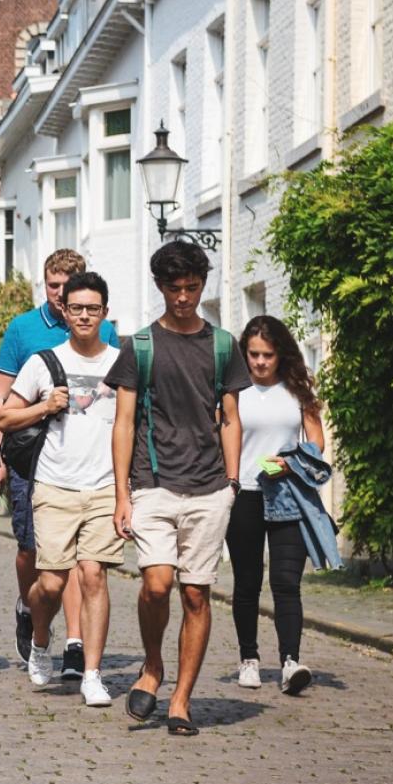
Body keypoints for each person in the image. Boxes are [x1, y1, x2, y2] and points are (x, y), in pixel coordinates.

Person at [107, 241, 251, 735]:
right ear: (160, 287)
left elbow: (230, 417)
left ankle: (181, 700)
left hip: (210, 486)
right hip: (153, 482)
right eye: (175, 288)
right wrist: (122, 494)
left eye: (192, 287)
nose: (184, 297)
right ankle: (152, 665)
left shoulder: (223, 345)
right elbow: (124, 422)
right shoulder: (141, 346)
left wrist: (232, 482)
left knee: (195, 595)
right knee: (156, 584)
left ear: (202, 285)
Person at [0, 249, 120, 675]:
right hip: (31, 458)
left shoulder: (105, 331)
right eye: (53, 286)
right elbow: (1, 398)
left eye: (67, 286)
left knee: (85, 563)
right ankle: (31, 608)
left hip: (90, 468)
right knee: (34, 554)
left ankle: (76, 644)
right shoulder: (23, 329)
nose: (60, 295)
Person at [226, 315, 325, 696]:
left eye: (268, 355)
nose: (260, 362)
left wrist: (291, 461)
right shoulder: (233, 390)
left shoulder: (297, 391)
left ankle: (290, 662)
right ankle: (249, 659)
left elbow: (316, 441)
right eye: (253, 354)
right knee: (247, 581)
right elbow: (219, 436)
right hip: (246, 494)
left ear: (281, 354)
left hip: (289, 493)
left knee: (286, 582)